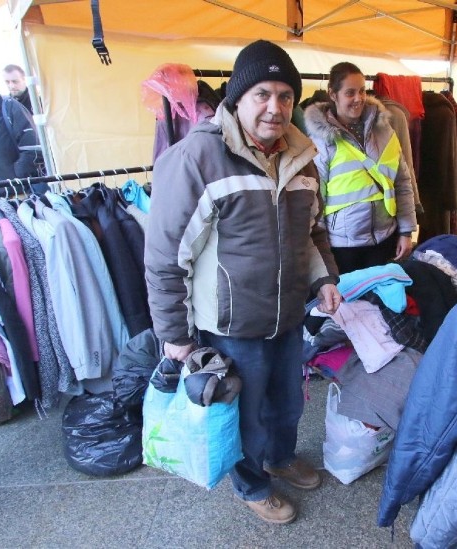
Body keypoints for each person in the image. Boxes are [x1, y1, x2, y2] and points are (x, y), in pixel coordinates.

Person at [143, 40, 342, 525]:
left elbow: (311, 232)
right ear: (237, 97)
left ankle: (278, 457)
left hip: (288, 314)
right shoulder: (198, 157)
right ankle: (252, 483)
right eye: (262, 94)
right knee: (245, 412)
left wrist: (324, 281)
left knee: (287, 403)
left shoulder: (302, 157)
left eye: (285, 96)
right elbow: (167, 255)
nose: (275, 108)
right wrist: (174, 333)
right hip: (231, 323)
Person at [304, 61, 418, 274]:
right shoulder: (321, 141)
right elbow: (314, 200)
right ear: (333, 94)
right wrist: (319, 251)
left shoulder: (385, 131)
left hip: (386, 240)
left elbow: (402, 182)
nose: (358, 98)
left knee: (382, 305)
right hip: (342, 248)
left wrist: (406, 231)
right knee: (349, 306)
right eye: (350, 93)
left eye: (362, 91)